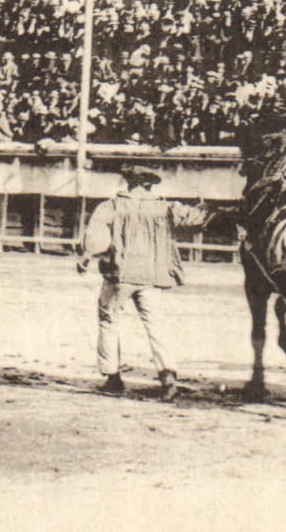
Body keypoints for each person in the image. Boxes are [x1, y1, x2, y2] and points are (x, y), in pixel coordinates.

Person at [78, 164, 212, 400]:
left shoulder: (112, 206)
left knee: (109, 321)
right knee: (156, 326)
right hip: (152, 275)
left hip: (120, 275)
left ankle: (113, 379)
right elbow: (195, 219)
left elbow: (98, 239)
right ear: (149, 184)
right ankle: (168, 378)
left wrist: (87, 257)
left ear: (128, 182)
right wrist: (209, 208)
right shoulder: (166, 207)